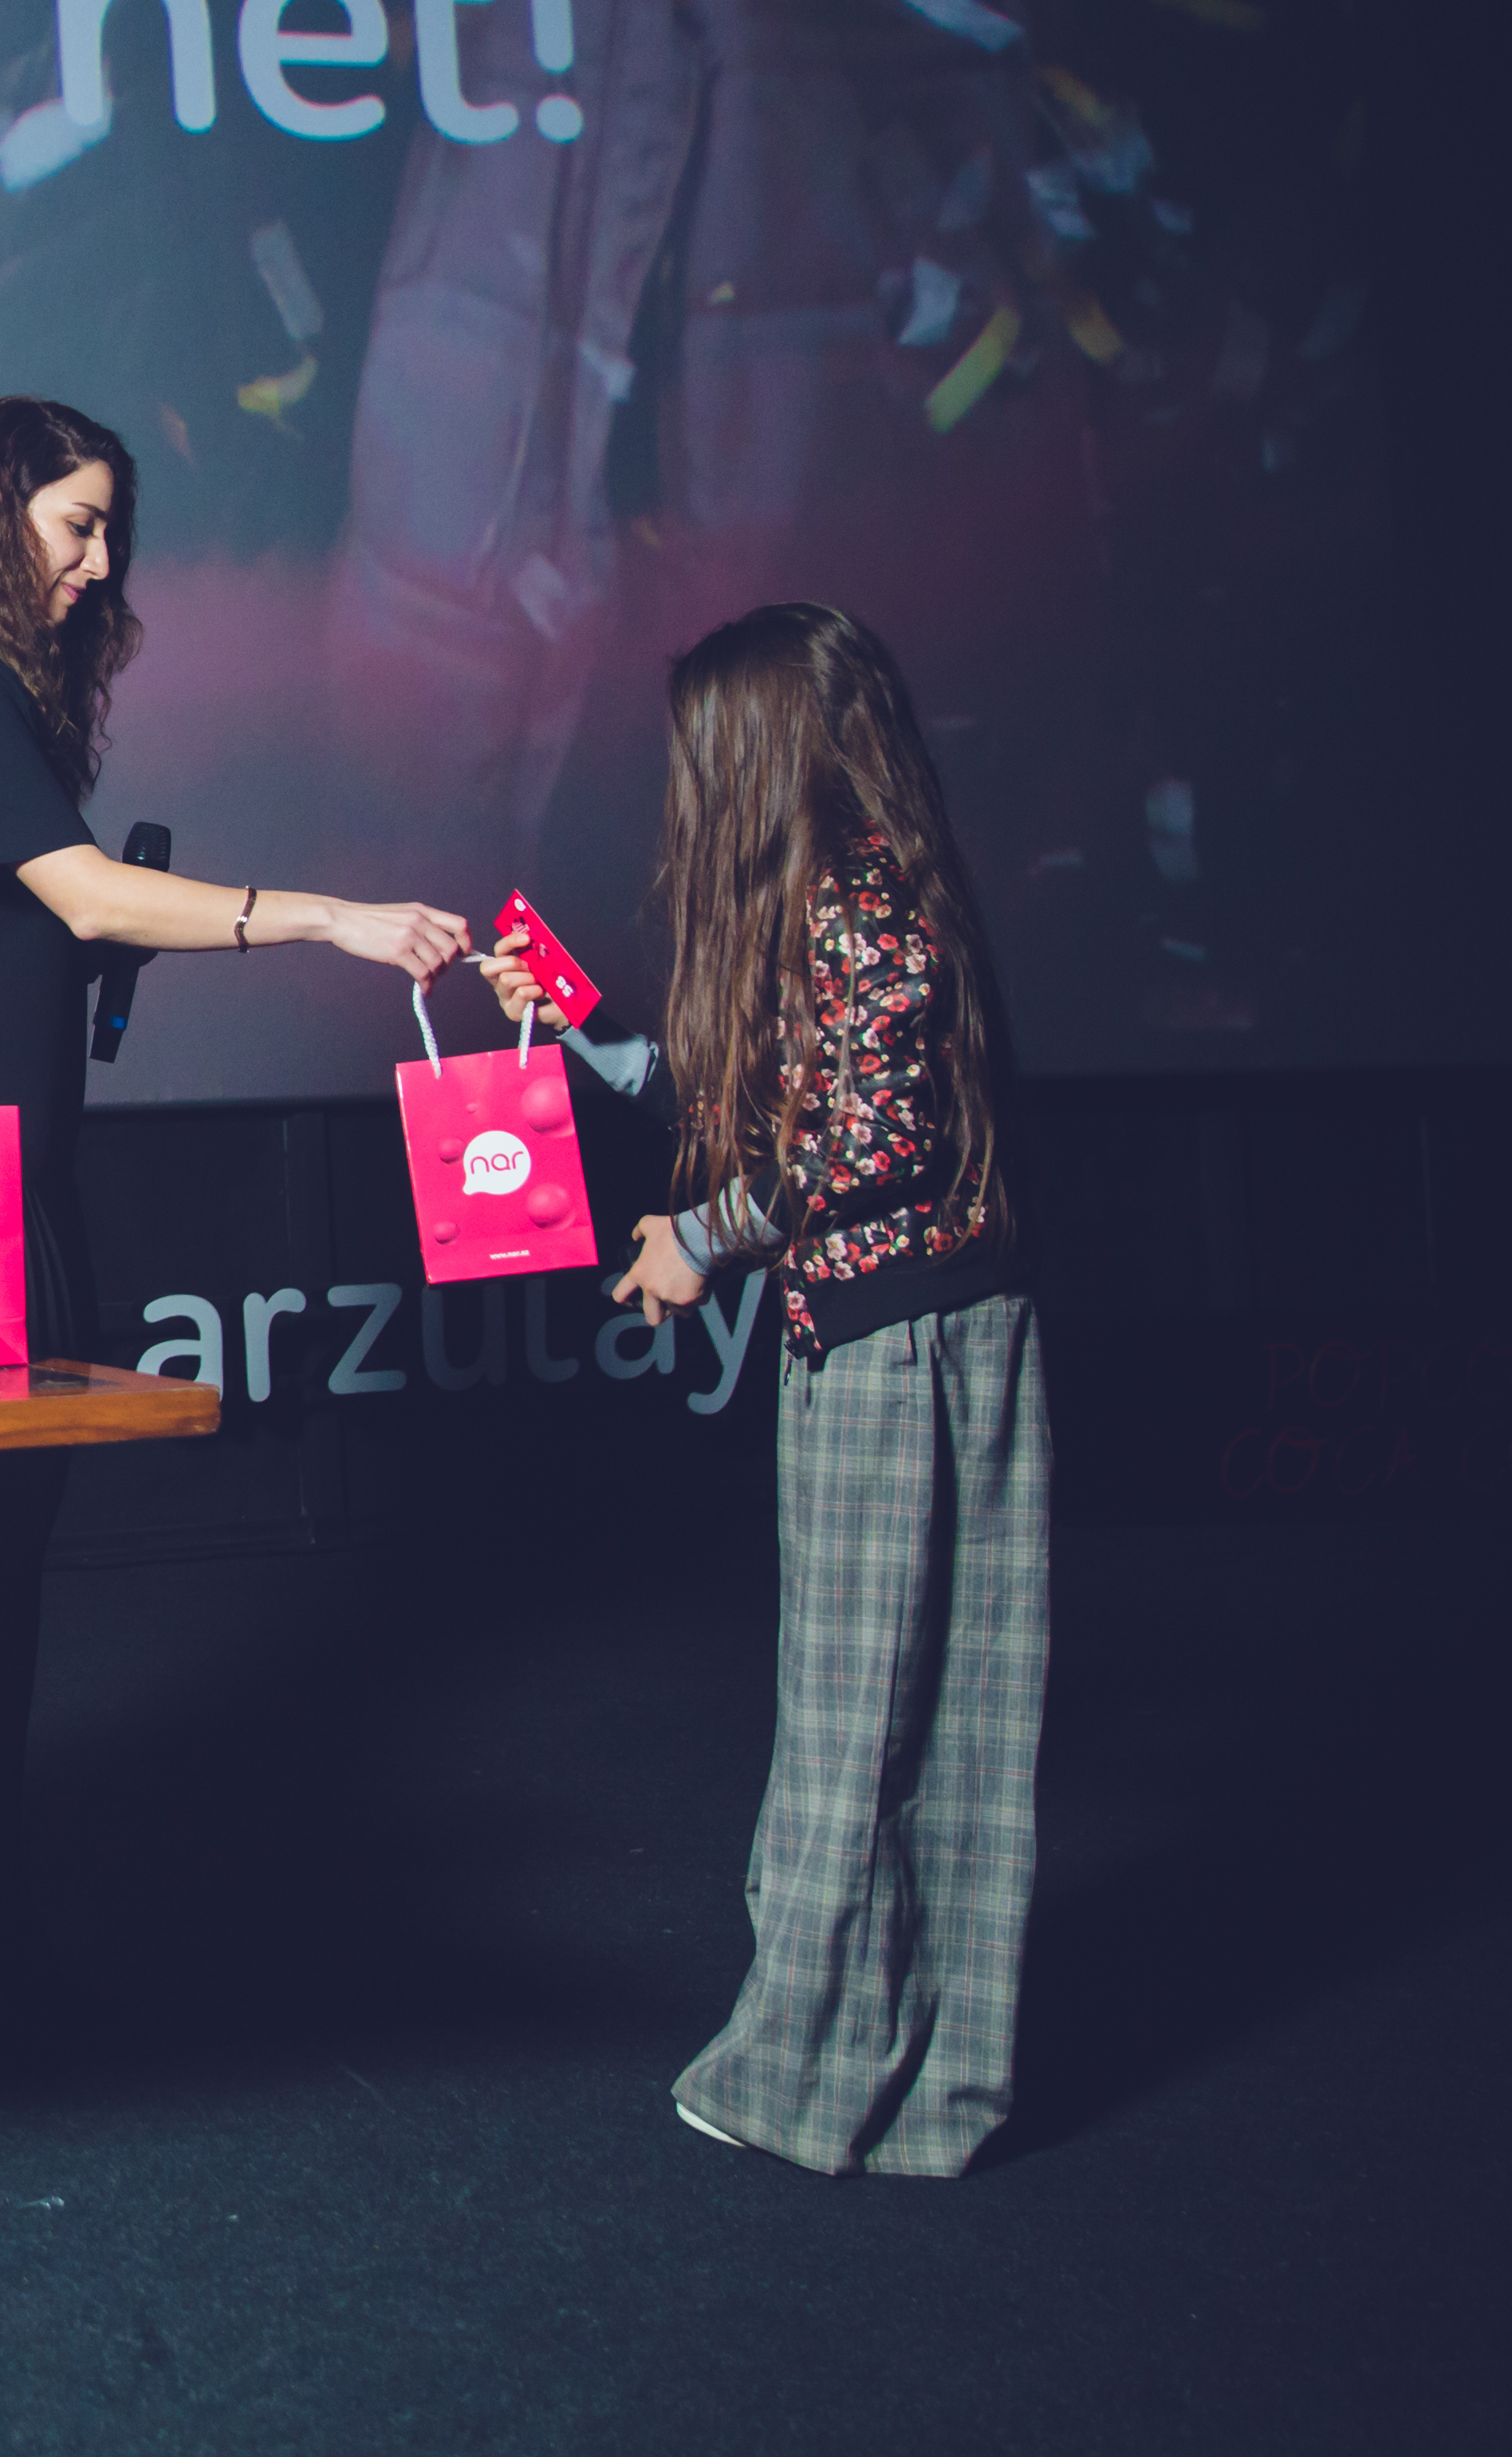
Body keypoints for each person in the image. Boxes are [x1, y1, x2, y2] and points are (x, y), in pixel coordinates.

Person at [0, 392, 464, 2030]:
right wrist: (334, 919)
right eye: (77, 526)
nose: (100, 567)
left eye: (111, 534)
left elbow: (33, 928)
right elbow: (85, 895)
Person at [486, 600, 1045, 2176]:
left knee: (882, 1724)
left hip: (907, 1345)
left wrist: (700, 1243)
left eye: (699, 747)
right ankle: (893, 2079)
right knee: (891, 1719)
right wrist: (582, 1029)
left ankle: (827, 2078)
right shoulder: (843, 898)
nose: (683, 777)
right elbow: (754, 1100)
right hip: (881, 1335)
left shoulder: (869, 908)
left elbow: (865, 1152)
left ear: (761, 749)